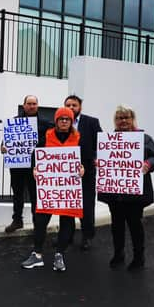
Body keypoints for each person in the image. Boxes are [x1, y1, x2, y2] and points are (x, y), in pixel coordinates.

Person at [98, 105, 154, 271]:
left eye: (126, 117)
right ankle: (118, 254)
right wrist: (98, 162)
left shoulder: (144, 138)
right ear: (115, 121)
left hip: (134, 193)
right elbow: (100, 157)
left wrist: (147, 164)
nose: (123, 121)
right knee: (116, 224)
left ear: (132, 119)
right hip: (115, 192)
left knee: (135, 224)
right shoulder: (108, 140)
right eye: (119, 118)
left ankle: (138, 257)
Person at [21, 107, 84, 272]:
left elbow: (85, 159)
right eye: (61, 119)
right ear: (56, 121)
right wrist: (34, 168)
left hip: (69, 189)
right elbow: (36, 155)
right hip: (49, 190)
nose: (64, 121)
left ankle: (59, 255)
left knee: (67, 222)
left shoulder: (78, 139)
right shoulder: (46, 137)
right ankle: (37, 254)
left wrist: (83, 169)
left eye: (67, 119)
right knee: (41, 220)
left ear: (71, 122)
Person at [0, 95, 51, 233]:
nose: (31, 106)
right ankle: (17, 220)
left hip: (35, 165)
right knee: (17, 193)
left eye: (34, 103)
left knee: (35, 195)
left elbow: (51, 140)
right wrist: (3, 147)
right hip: (17, 165)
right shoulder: (14, 122)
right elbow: (4, 143)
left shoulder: (45, 123)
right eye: (29, 103)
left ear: (37, 105)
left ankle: (37, 222)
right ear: (24, 105)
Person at [64, 95, 102, 251]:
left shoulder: (91, 122)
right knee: (67, 206)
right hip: (66, 173)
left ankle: (87, 236)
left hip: (87, 172)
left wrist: (96, 158)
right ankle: (67, 235)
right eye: (68, 105)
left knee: (86, 206)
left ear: (80, 107)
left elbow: (102, 143)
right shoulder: (61, 122)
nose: (71, 108)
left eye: (74, 105)